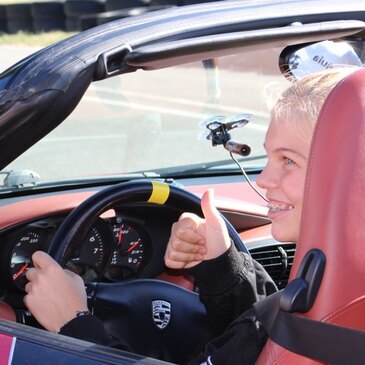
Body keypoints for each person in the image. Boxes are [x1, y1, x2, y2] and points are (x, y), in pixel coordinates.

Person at [23, 66, 359, 365]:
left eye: (289, 160)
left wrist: (75, 324)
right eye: (268, 157)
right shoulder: (338, 299)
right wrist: (223, 266)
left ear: (351, 174)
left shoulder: (324, 335)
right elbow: (260, 336)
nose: (263, 180)